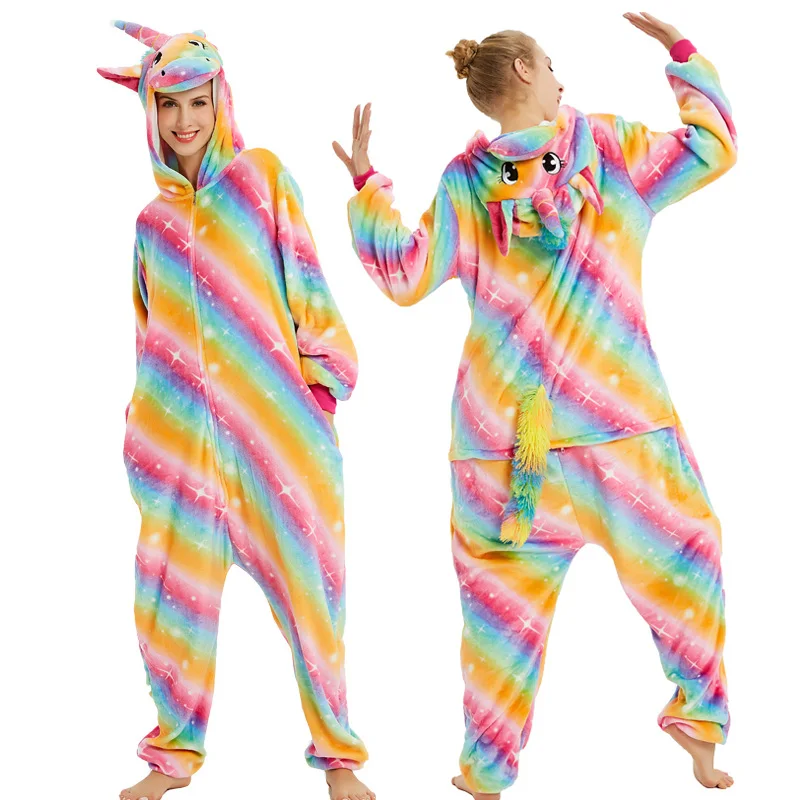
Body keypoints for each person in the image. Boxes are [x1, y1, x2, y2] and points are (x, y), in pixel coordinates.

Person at [334, 11, 736, 798]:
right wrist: (681, 55)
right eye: (550, 64)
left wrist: (367, 188)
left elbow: (404, 275)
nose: (559, 77)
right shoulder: (609, 150)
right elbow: (711, 147)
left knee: (498, 624)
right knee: (689, 558)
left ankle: (484, 773)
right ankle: (697, 717)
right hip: (618, 432)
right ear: (523, 71)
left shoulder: (466, 180)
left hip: (501, 442)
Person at [98, 20, 375, 800]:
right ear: (150, 114)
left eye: (197, 101)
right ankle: (171, 758)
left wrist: (323, 382)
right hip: (180, 450)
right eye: (168, 105)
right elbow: (148, 331)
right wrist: (140, 426)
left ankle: (340, 758)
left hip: (279, 437)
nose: (184, 120)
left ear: (220, 100)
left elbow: (306, 281)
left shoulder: (261, 180)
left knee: (313, 595)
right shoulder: (151, 226)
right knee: (169, 604)